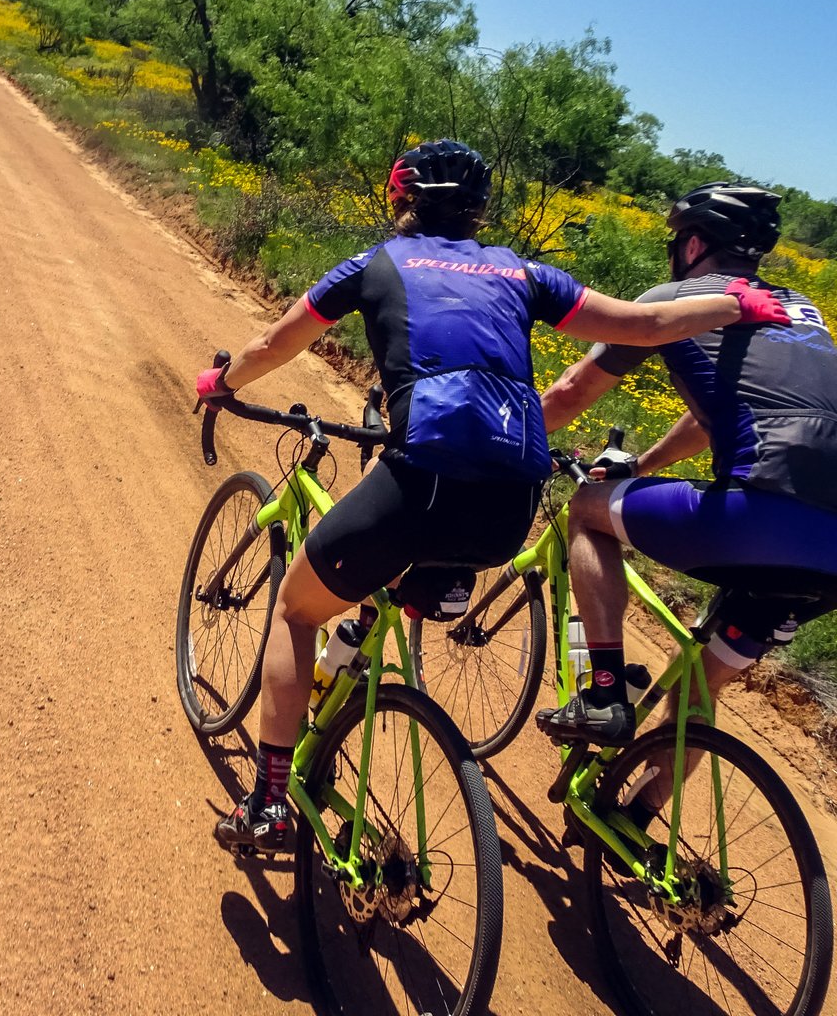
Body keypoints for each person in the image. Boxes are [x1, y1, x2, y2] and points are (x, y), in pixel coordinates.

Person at [195, 144, 790, 853]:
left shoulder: (375, 265)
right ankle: (432, 591)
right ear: (480, 211)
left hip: (424, 479)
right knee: (428, 550)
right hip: (511, 506)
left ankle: (268, 805)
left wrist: (222, 384)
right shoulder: (520, 270)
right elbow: (640, 325)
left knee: (296, 610)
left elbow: (272, 344)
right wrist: (735, 303)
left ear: (399, 199)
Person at [537, 182, 837, 750]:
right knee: (699, 684)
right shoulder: (802, 312)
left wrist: (509, 439)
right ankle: (636, 820)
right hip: (832, 552)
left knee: (587, 510)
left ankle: (601, 692)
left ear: (694, 245)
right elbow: (713, 417)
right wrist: (644, 466)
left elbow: (573, 389)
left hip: (756, 515)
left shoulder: (675, 299)